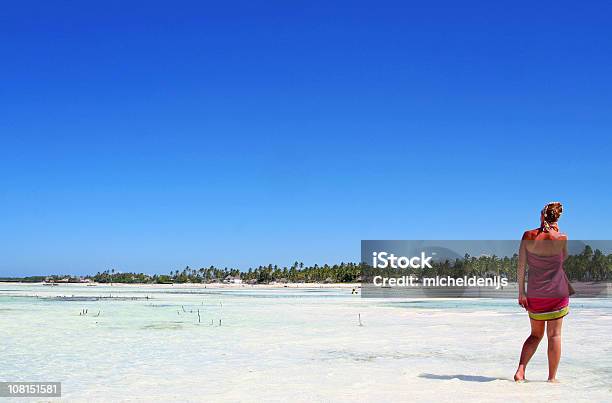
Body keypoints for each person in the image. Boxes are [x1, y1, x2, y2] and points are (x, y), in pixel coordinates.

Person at [514, 202, 571, 383]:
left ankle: (521, 371)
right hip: (556, 293)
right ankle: (551, 378)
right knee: (554, 335)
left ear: (542, 216)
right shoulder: (561, 237)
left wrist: (521, 292)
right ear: (557, 218)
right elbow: (564, 258)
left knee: (535, 335)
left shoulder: (528, 235)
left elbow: (521, 265)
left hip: (536, 294)